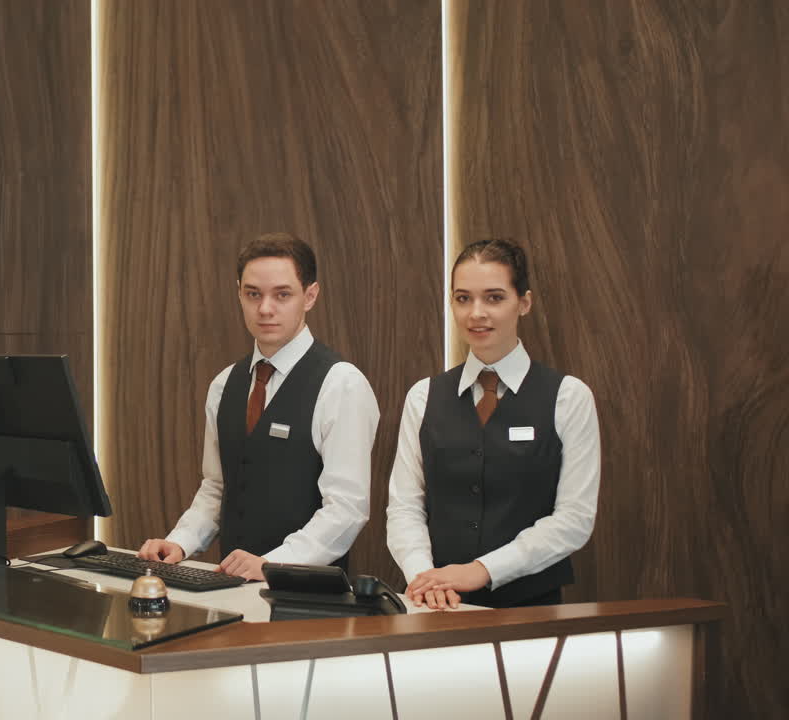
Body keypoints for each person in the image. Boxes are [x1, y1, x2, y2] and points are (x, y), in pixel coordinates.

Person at [137, 233, 379, 581]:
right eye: (253, 294)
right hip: (231, 593)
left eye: (282, 294)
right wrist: (180, 542)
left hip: (307, 600)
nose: (265, 308)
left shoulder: (341, 384)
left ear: (310, 296)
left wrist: (273, 565)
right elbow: (218, 487)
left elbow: (347, 510)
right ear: (239, 294)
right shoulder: (223, 385)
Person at [386, 238, 600, 609]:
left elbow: (574, 519)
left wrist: (482, 569)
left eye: (494, 297)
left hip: (531, 609)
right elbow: (405, 506)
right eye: (463, 298)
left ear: (525, 303)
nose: (476, 313)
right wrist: (425, 579)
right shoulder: (423, 396)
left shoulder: (568, 397)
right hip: (436, 606)